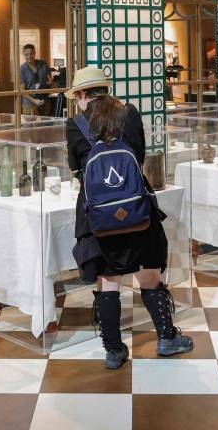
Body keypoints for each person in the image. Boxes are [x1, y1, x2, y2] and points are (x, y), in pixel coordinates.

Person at [64, 66, 193, 370]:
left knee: (108, 281)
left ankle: (113, 351)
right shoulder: (129, 114)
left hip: (97, 214)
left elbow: (77, 170)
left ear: (82, 94)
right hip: (137, 206)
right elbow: (138, 156)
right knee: (149, 273)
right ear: (105, 89)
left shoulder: (75, 125)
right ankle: (167, 338)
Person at [19, 44, 51, 116]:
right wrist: (34, 101)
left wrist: (50, 84)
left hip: (44, 101)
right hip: (29, 103)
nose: (29, 56)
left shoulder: (43, 64)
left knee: (47, 122)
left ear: (35, 53)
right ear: (23, 55)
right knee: (30, 123)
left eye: (31, 54)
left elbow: (50, 80)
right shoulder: (22, 69)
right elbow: (22, 91)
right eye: (26, 54)